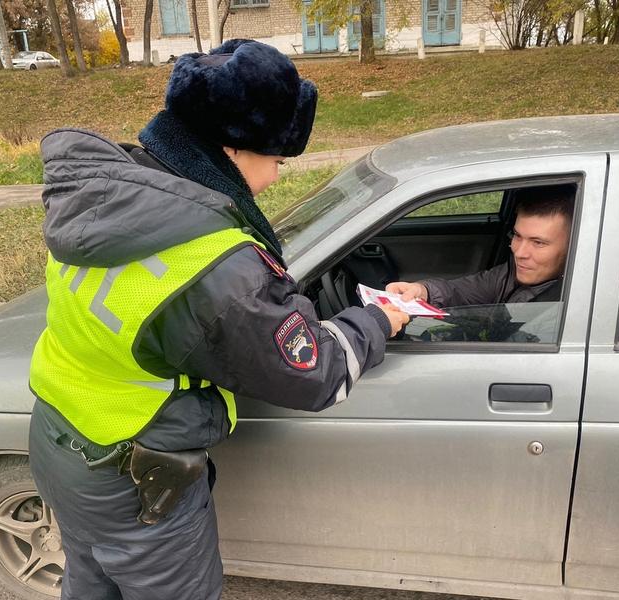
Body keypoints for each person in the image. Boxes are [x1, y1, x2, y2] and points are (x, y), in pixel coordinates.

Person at [27, 39, 408, 600]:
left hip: (59, 444)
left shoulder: (108, 199)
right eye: (276, 160)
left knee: (91, 581)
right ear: (231, 150)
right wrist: (378, 319)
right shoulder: (213, 266)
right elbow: (315, 373)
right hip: (135, 480)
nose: (276, 177)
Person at [387, 185, 574, 307]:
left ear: (573, 247)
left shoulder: (568, 304)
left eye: (538, 243)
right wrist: (424, 291)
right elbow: (464, 291)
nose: (519, 252)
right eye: (517, 236)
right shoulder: (508, 274)